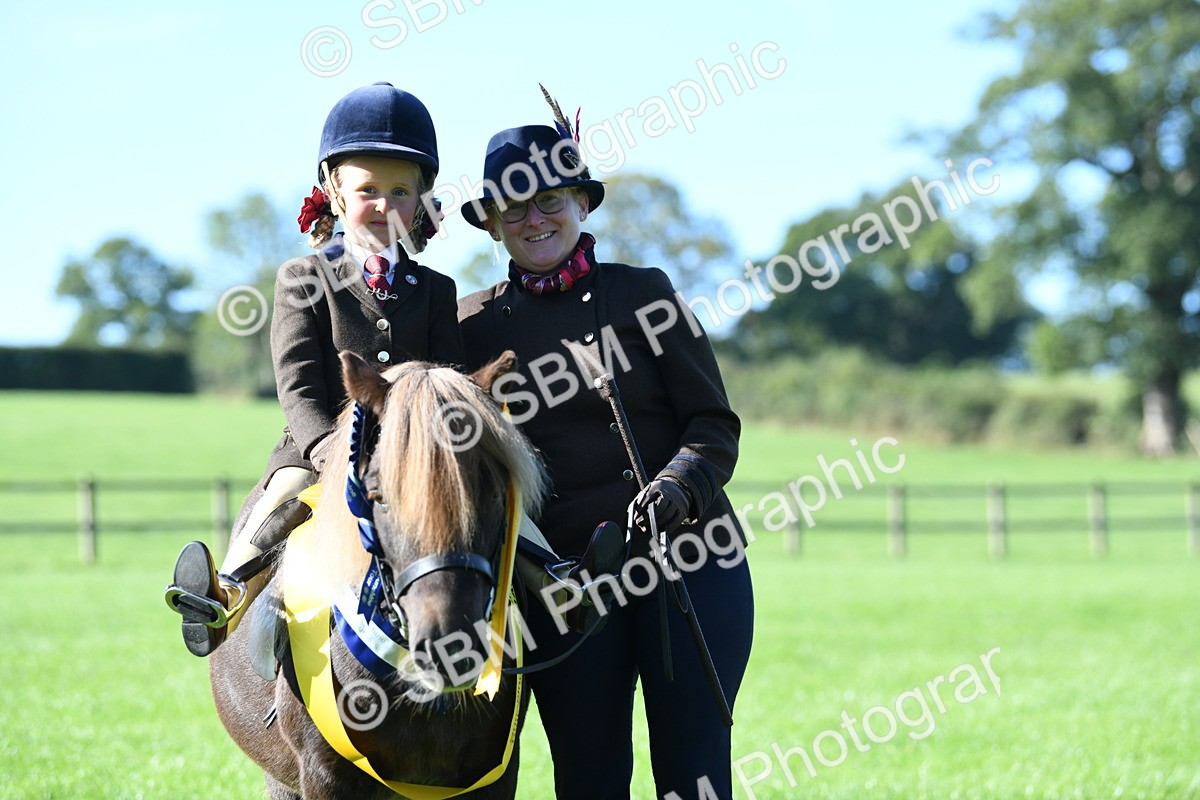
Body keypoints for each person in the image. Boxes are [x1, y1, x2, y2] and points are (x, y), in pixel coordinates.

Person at [457, 115, 754, 799]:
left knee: (694, 773)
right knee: (588, 779)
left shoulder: (644, 294)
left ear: (581, 204)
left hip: (689, 562)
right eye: (514, 208)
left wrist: (680, 483)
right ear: (493, 224)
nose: (534, 219)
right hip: (563, 584)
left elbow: (714, 424)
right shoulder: (470, 326)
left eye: (549, 200)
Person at [165, 82, 464, 657]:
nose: (384, 206)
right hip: (316, 448)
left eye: (401, 191)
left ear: (421, 199)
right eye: (368, 189)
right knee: (279, 503)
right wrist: (330, 450)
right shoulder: (303, 278)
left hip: (417, 453)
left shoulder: (436, 289)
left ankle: (547, 572)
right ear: (334, 190)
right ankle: (225, 595)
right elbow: (297, 384)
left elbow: (448, 377)